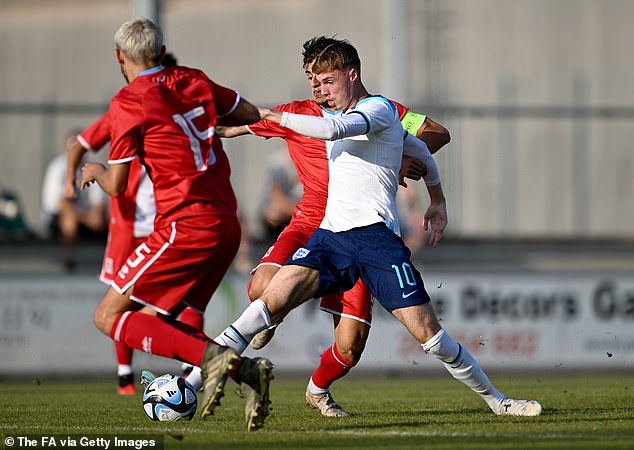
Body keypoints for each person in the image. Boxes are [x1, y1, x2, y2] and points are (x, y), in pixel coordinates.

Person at [214, 39, 542, 418]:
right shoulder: (300, 113)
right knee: (262, 291)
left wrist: (403, 160)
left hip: (368, 233)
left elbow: (434, 134)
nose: (317, 89)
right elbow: (234, 127)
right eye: (311, 79)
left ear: (349, 75)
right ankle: (203, 370)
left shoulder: (381, 110)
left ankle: (318, 390)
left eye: (325, 79)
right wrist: (190, 126)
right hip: (315, 227)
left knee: (353, 346)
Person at [79, 18, 273, 431]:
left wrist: (94, 168)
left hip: (184, 224)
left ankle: (225, 365)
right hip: (225, 224)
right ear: (161, 51)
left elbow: (117, 185)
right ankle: (240, 373)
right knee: (185, 310)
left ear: (120, 57)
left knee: (107, 316)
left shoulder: (128, 101)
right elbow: (250, 112)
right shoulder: (194, 80)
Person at [64, 53, 205, 395]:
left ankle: (198, 366)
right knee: (120, 305)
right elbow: (81, 143)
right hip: (137, 227)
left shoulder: (173, 109)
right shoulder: (129, 108)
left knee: (178, 303)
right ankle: (128, 376)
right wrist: (72, 175)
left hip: (172, 226)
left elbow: (89, 156)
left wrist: (91, 170)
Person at [42, 130, 107, 271]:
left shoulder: (90, 167)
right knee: (69, 219)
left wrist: (95, 216)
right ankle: (68, 262)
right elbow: (60, 204)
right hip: (61, 219)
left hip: (85, 217)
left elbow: (98, 199)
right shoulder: (57, 167)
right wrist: (88, 218)